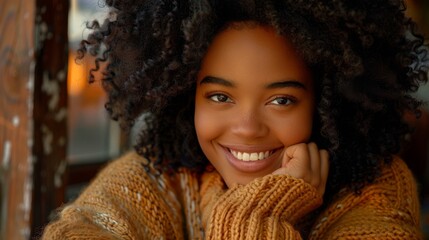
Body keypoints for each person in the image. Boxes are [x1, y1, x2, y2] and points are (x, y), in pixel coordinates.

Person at [42, 0, 428, 239]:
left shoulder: (377, 191)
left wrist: (257, 213)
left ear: (330, 104)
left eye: (281, 99)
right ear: (183, 95)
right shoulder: (161, 175)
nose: (246, 127)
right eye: (220, 96)